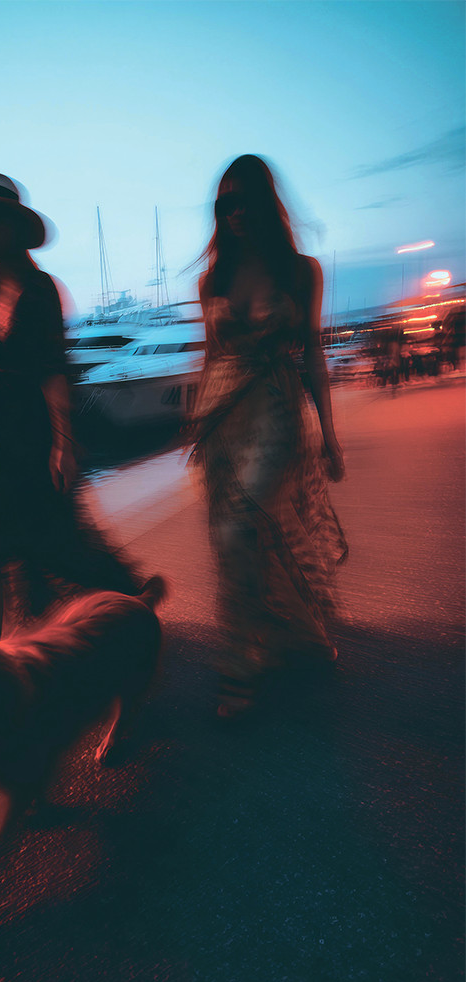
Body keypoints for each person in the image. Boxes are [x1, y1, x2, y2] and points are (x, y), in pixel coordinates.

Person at [0, 171, 142, 639]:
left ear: (15, 229)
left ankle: (128, 606)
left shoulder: (39, 289)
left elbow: (52, 368)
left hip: (27, 438)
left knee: (56, 541)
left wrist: (62, 443)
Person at [188, 155, 348, 719]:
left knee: (242, 527)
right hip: (222, 418)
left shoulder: (301, 271)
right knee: (239, 537)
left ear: (265, 204)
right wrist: (197, 427)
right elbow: (211, 358)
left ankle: (240, 666)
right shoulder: (211, 280)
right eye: (224, 204)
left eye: (244, 201)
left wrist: (329, 434)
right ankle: (289, 639)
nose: (234, 213)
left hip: (278, 410)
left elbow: (313, 353)